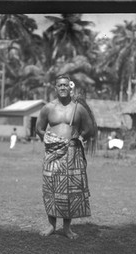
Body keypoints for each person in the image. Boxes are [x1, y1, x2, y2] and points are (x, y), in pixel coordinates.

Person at [35, 74, 97, 239]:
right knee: (51, 188)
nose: (62, 88)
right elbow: (39, 128)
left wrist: (77, 137)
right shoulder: (48, 108)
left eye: (65, 85)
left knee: (69, 190)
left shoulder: (78, 108)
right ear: (55, 88)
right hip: (52, 153)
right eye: (59, 85)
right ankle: (51, 225)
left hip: (71, 152)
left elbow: (89, 129)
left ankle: (67, 228)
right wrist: (48, 139)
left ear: (70, 87)